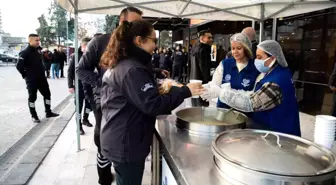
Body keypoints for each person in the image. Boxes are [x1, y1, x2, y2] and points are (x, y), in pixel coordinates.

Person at [100, 20, 203, 185]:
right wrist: (186, 91)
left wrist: (164, 88)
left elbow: (138, 95)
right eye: (153, 40)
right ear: (139, 40)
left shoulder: (125, 63)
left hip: (119, 137)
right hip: (126, 143)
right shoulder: (132, 69)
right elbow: (153, 105)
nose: (156, 45)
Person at [76, 6, 143, 185]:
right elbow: (81, 70)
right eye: (136, 23)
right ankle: (104, 177)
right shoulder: (99, 42)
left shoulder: (136, 43)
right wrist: (102, 83)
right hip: (105, 102)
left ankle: (123, 171)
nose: (140, 27)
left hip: (131, 103)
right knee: (102, 142)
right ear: (123, 22)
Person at [201, 40, 301, 136]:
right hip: (270, 130)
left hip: (279, 134)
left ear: (272, 58)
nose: (256, 60)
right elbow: (254, 94)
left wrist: (221, 93)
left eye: (259, 57)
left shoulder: (275, 82)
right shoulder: (274, 73)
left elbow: (250, 103)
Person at [16, 34, 59, 123]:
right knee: (32, 98)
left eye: (39, 40)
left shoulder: (38, 51)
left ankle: (48, 112)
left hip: (42, 79)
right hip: (32, 80)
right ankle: (34, 116)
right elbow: (19, 66)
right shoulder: (25, 53)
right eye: (36, 40)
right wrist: (26, 75)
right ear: (30, 41)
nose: (38, 42)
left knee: (47, 94)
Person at [210, 33, 259, 109]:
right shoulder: (225, 64)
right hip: (223, 109)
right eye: (233, 48)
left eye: (239, 48)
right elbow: (215, 85)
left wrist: (227, 93)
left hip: (244, 112)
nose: (235, 51)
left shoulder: (255, 67)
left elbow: (254, 96)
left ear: (246, 49)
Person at [68, 38, 93, 135]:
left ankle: (85, 119)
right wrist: (70, 85)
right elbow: (70, 72)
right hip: (78, 86)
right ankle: (79, 126)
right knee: (78, 107)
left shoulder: (91, 55)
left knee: (88, 105)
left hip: (89, 85)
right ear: (83, 46)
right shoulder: (75, 56)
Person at [190, 29, 213, 106]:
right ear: (202, 38)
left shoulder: (194, 48)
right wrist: (209, 81)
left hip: (193, 80)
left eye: (211, 37)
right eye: (209, 37)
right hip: (202, 82)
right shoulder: (205, 49)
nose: (211, 39)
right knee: (202, 107)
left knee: (195, 106)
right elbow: (205, 68)